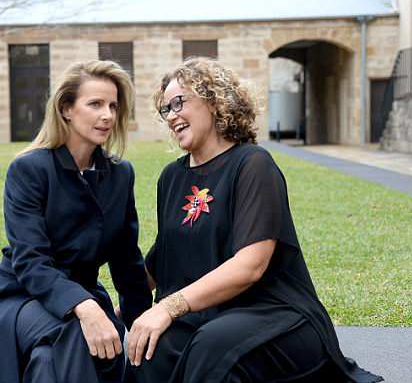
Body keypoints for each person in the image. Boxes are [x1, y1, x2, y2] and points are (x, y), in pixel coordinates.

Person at [127, 58, 383, 383]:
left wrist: (167, 307)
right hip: (210, 314)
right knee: (151, 351)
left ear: (214, 100)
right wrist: (117, 304)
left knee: (212, 347)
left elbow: (250, 266)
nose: (172, 114)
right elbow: (164, 255)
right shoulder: (171, 177)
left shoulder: (253, 164)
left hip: (274, 312)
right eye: (166, 108)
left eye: (180, 102)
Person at [0, 60, 152, 383]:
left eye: (113, 105)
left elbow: (127, 261)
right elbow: (31, 262)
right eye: (95, 104)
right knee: (74, 333)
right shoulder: (30, 169)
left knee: (46, 361)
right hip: (18, 295)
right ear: (66, 109)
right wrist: (85, 306)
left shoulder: (120, 175)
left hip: (82, 294)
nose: (108, 115)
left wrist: (143, 324)